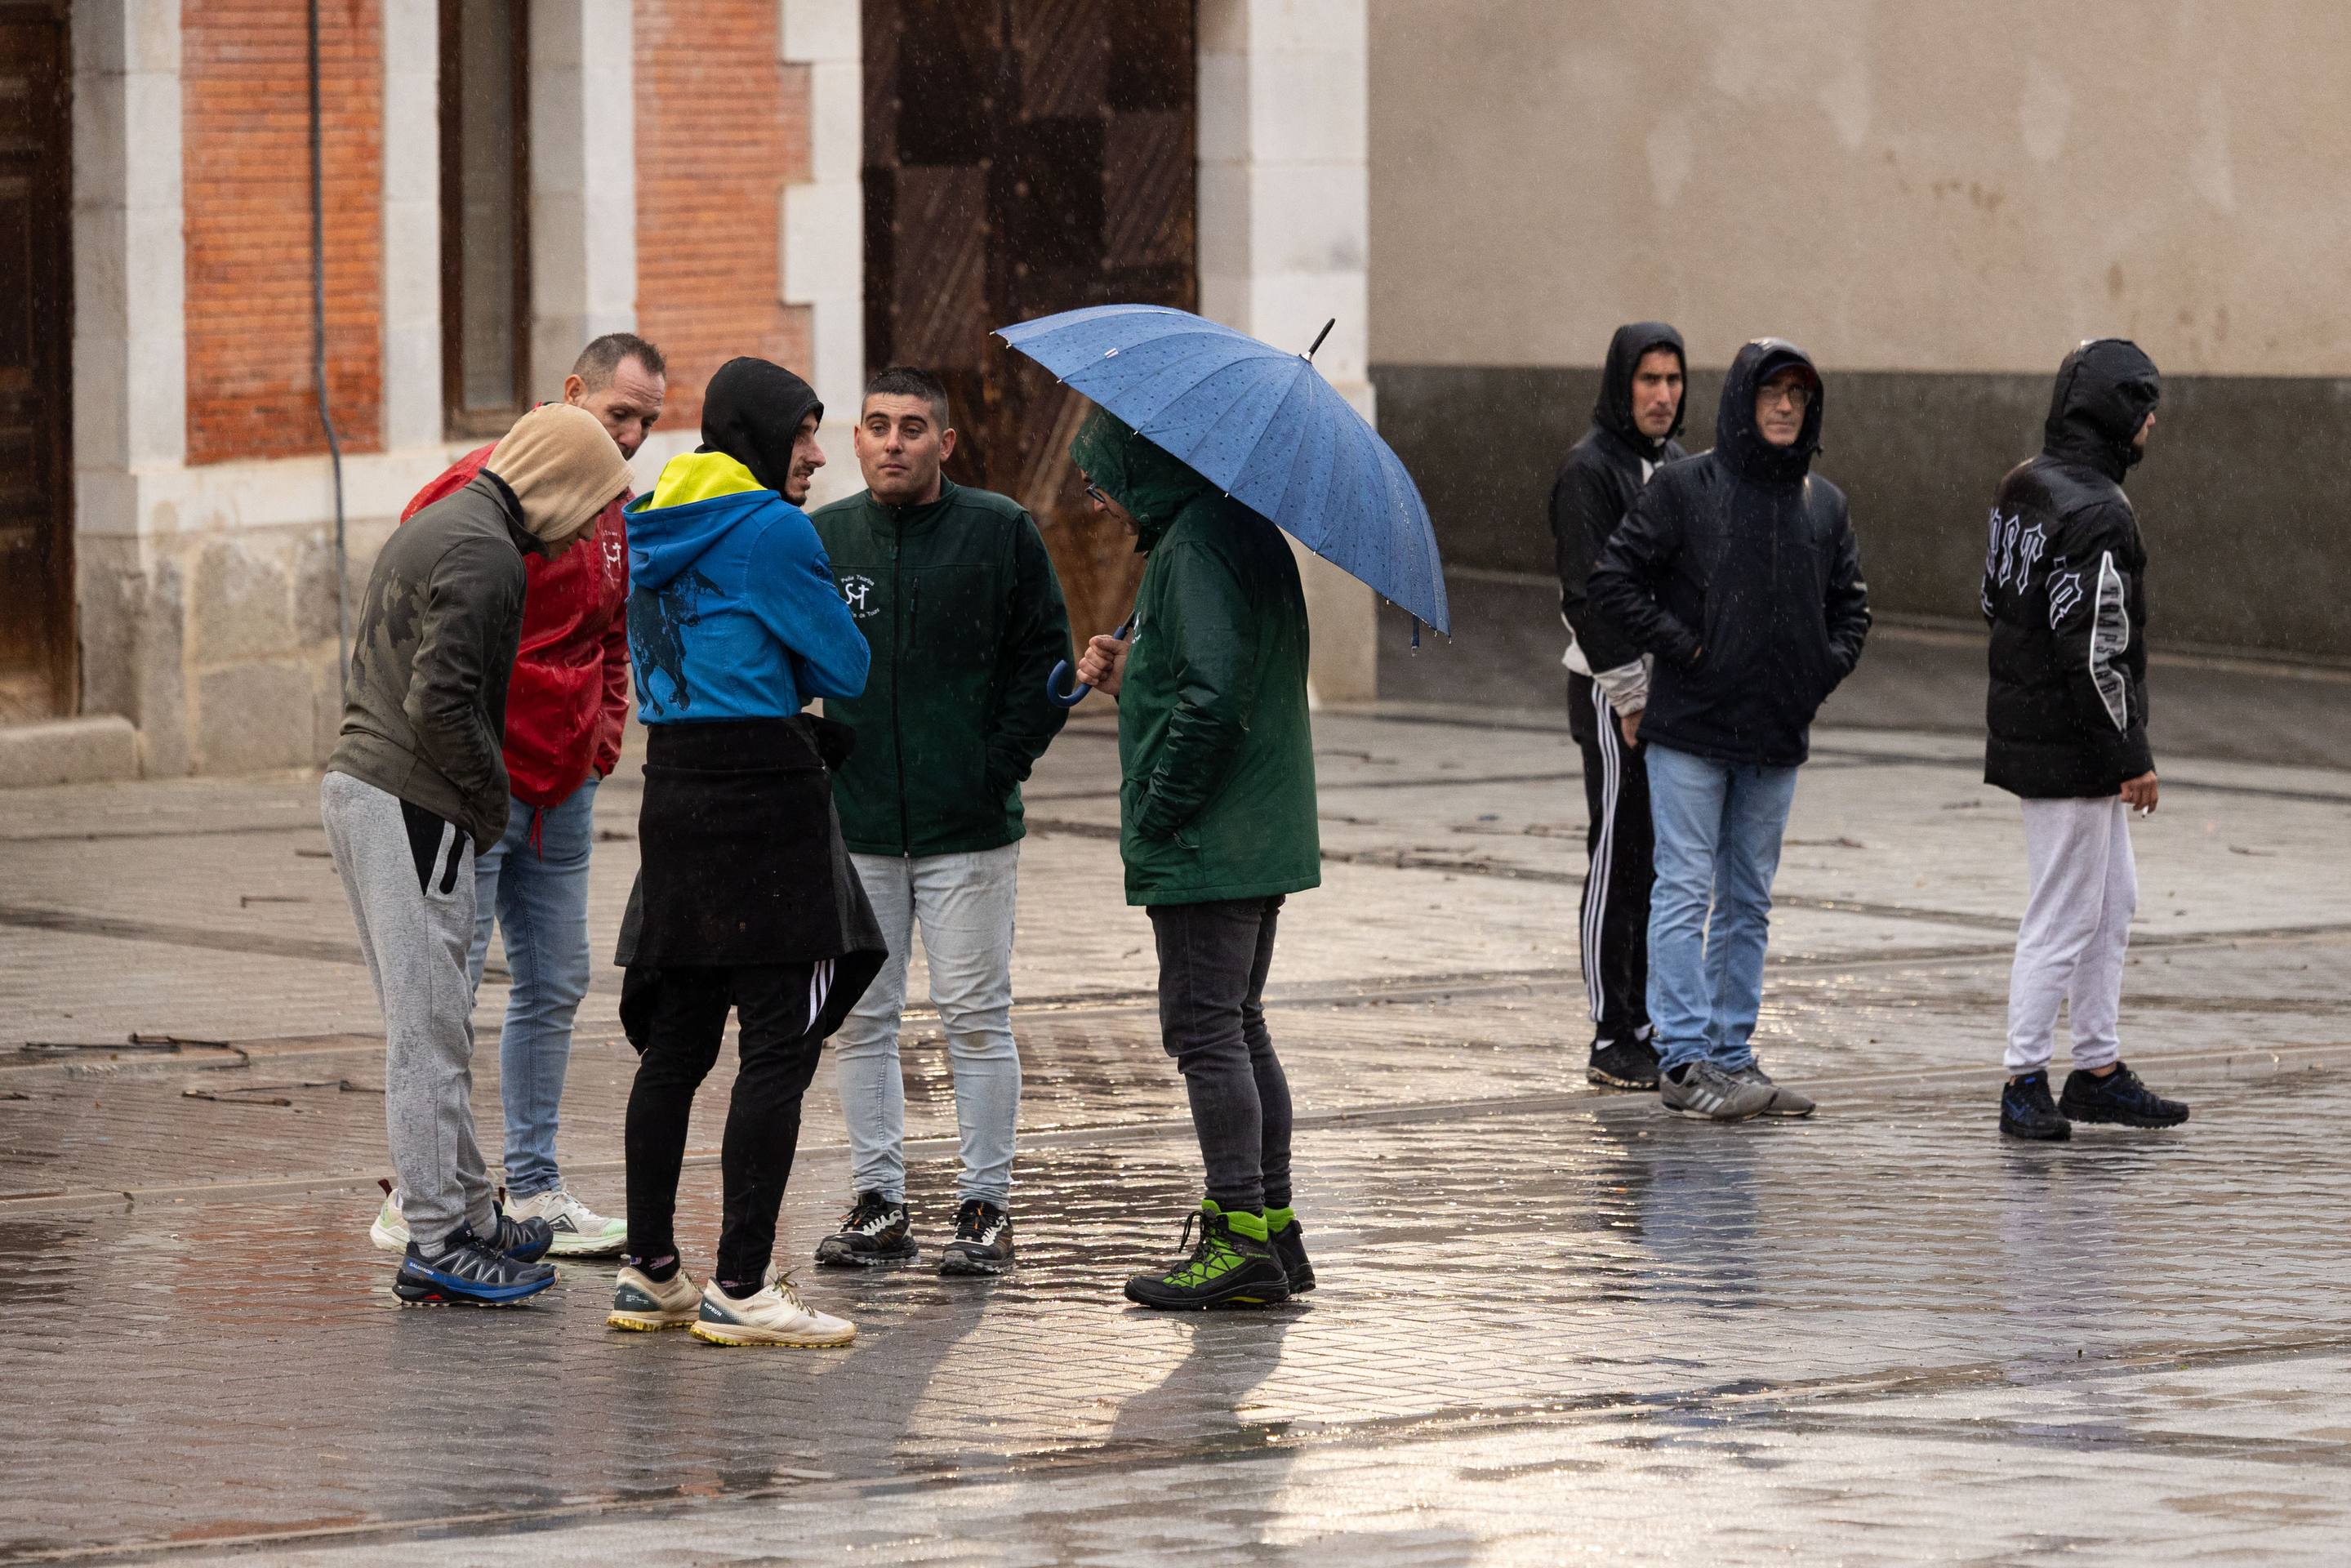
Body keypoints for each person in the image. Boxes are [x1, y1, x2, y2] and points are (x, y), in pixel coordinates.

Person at [323, 403, 633, 1304]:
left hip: (374, 787)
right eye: (590, 501)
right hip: (408, 798)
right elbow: (440, 703)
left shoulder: (449, 524)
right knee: (428, 1032)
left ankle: (468, 1215)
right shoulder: (488, 552)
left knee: (434, 1025)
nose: (587, 527)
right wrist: (490, 803)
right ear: (562, 484)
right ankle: (435, 1242)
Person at [603, 357, 883, 1349]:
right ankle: (742, 1283)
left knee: (677, 1047)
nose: (814, 453)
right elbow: (844, 663)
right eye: (803, 433)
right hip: (767, 798)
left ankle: (648, 1271)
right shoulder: (771, 529)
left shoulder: (649, 523)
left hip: (674, 790)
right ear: (761, 437)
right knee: (778, 1045)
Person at [367, 332, 666, 1259]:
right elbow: (409, 618)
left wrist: (604, 731)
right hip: (471, 782)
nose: (631, 437)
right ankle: (423, 1194)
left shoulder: (610, 505)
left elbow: (614, 630)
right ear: (569, 392)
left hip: (563, 785)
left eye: (648, 422)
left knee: (557, 980)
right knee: (444, 992)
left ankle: (531, 1185)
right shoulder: (474, 490)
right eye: (619, 413)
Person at [806, 367, 1071, 1276]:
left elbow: (1046, 663)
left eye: (912, 427)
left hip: (969, 831)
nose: (892, 442)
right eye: (877, 425)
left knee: (974, 1017)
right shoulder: (825, 537)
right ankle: (880, 1201)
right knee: (862, 1018)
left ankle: (985, 1207)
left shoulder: (998, 530)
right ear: (855, 438)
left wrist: (991, 768)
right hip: (859, 826)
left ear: (944, 443)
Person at [1068, 409, 1317, 1311]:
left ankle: (1239, 1235)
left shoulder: (1194, 548)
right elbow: (1213, 670)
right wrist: (1138, 666)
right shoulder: (1225, 530)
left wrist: (1163, 805)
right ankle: (1273, 1231)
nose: (1097, 503)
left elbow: (1212, 701)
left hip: (1212, 833)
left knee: (1207, 1031)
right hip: (1254, 825)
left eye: (1102, 482)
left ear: (1142, 469)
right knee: (1237, 1023)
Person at [1591, 339, 1871, 1123]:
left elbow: (1852, 606)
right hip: (1691, 731)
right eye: (1770, 393)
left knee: (1747, 897)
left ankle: (1730, 1053)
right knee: (1684, 888)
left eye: (1797, 395)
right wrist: (1686, 646)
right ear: (1743, 400)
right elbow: (1613, 579)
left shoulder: (1822, 503)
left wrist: (1817, 669)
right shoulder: (1687, 487)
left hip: (1774, 735)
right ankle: (1682, 1060)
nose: (1785, 407)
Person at [1984, 339, 2189, 1141]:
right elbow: (2095, 645)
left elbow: (1994, 598)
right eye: (2145, 412)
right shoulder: (2099, 510)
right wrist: (2127, 754)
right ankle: (2022, 1076)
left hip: (2040, 728)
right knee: (2065, 910)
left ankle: (2095, 1067)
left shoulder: (2022, 484)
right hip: (2070, 745)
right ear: (2120, 415)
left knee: (2110, 903)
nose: (2149, 428)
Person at [1550, 323, 1688, 1093]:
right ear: (1619, 385)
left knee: (1659, 859)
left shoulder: (1673, 467)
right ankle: (1612, 1031)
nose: (1662, 396)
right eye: (1648, 381)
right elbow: (1587, 593)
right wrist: (1631, 695)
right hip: (1611, 691)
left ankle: (1646, 1020)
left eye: (1672, 381)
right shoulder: (1589, 471)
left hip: (1667, 690)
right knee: (1617, 853)